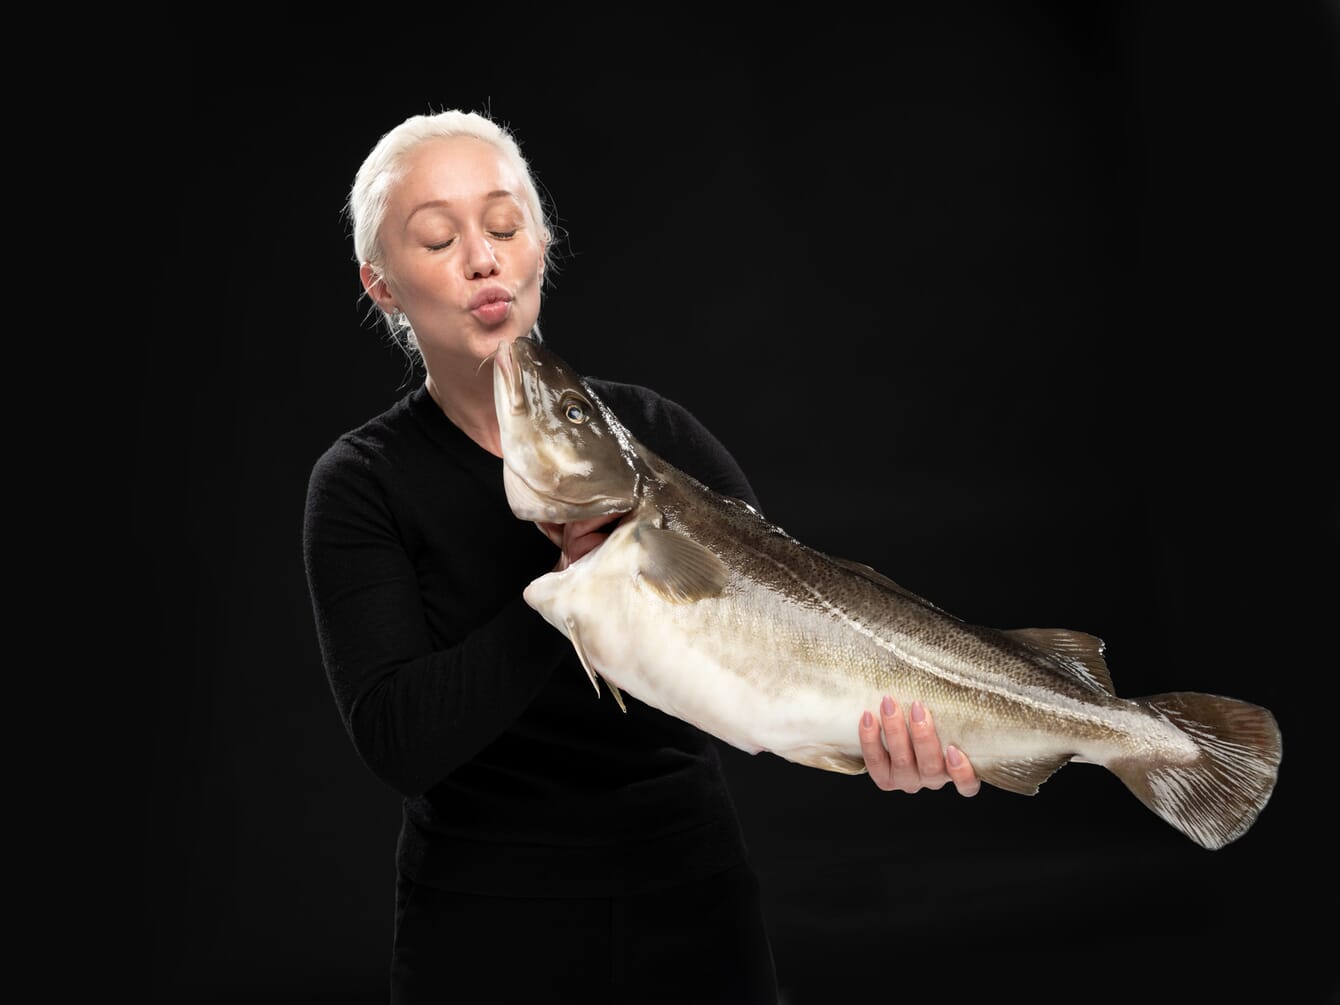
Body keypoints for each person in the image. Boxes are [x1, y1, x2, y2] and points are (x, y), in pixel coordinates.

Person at [301, 108, 980, 1005]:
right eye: (438, 238)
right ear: (382, 284)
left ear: (541, 245)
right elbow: (400, 741)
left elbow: (789, 635)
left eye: (505, 226)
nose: (482, 257)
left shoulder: (658, 437)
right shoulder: (363, 482)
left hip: (692, 906)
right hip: (484, 929)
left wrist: (890, 743)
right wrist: (573, 583)